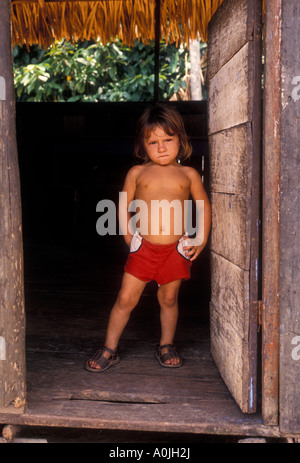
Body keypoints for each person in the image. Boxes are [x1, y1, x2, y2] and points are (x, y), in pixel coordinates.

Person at [86, 104, 211, 372]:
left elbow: (202, 205)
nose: (162, 147)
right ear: (143, 145)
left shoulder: (189, 174)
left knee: (169, 299)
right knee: (125, 299)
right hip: (143, 249)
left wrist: (200, 239)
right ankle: (109, 348)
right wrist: (129, 234)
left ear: (181, 139)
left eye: (168, 139)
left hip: (175, 250)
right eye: (153, 142)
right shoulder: (137, 173)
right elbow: (123, 203)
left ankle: (166, 344)